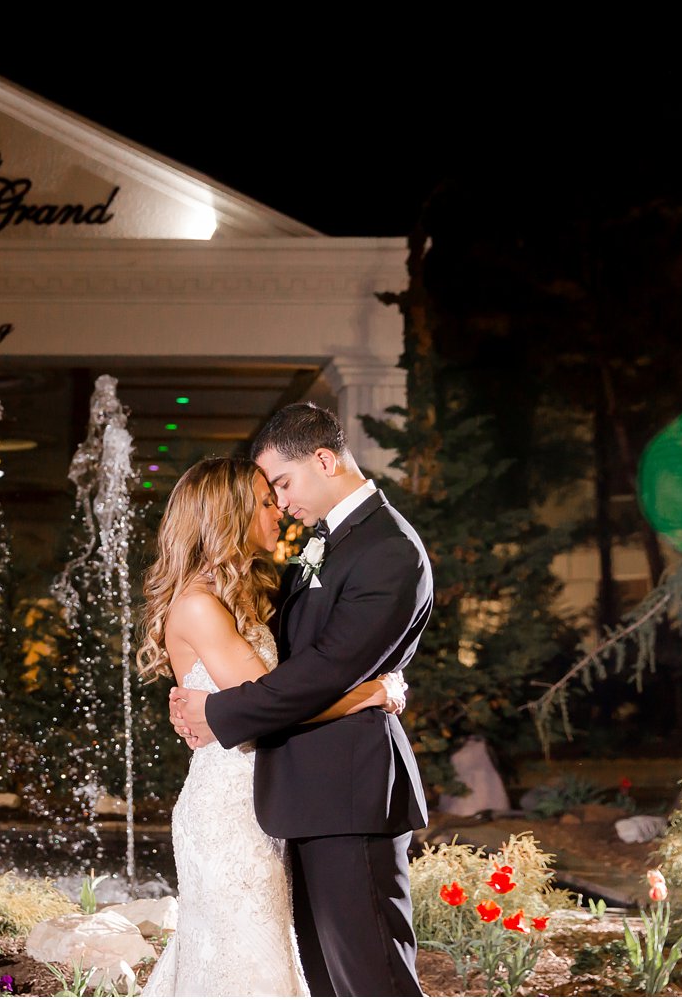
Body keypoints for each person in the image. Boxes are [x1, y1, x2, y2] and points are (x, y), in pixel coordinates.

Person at [169, 402, 432, 997]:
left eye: (283, 484)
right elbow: (278, 662)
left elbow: (323, 672)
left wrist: (218, 713)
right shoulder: (326, 546)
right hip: (301, 799)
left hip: (350, 793)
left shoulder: (389, 549)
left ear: (324, 458)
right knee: (324, 980)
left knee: (374, 980)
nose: (281, 503)